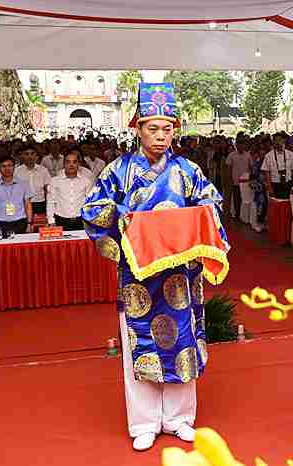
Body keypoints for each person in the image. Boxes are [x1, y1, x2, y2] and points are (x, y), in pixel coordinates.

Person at [82, 83, 229, 452]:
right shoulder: (119, 170)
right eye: (153, 128)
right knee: (140, 342)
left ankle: (179, 418)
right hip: (139, 276)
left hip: (181, 276)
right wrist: (125, 218)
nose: (161, 136)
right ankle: (145, 421)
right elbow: (92, 209)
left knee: (181, 340)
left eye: (167, 129)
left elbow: (213, 204)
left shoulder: (188, 170)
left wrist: (200, 216)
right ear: (137, 128)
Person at [0, 156, 33, 236]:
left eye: (9, 166)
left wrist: (29, 223)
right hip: (0, 222)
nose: (7, 169)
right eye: (3, 166)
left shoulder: (24, 183)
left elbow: (27, 204)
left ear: (14, 167)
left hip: (20, 221)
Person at [47, 149, 91, 231]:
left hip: (80, 221)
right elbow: (51, 202)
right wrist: (51, 221)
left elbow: (89, 203)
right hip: (60, 220)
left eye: (74, 162)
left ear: (78, 164)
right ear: (64, 164)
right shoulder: (55, 181)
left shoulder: (86, 181)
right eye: (68, 162)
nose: (71, 165)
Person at [15, 144, 52, 215]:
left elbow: (48, 189)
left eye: (32, 154)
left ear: (36, 156)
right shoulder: (17, 171)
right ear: (22, 156)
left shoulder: (43, 170)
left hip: (40, 204)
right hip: (22, 204)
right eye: (26, 154)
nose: (30, 156)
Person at [261, 133, 293, 199]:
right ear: (273, 142)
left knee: (288, 204)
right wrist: (270, 188)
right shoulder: (268, 156)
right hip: (275, 184)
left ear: (283, 141)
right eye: (276, 140)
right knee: (277, 205)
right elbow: (267, 173)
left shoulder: (290, 154)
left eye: (279, 140)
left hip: (288, 183)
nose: (278, 142)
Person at [226, 136, 252, 219]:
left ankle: (244, 215)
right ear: (236, 145)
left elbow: (251, 167)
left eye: (242, 144)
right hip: (235, 181)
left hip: (246, 182)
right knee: (236, 199)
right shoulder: (231, 155)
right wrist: (230, 179)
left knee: (244, 199)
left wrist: (250, 178)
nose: (240, 146)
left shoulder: (248, 155)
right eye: (239, 144)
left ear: (244, 145)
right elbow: (229, 168)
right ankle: (236, 214)